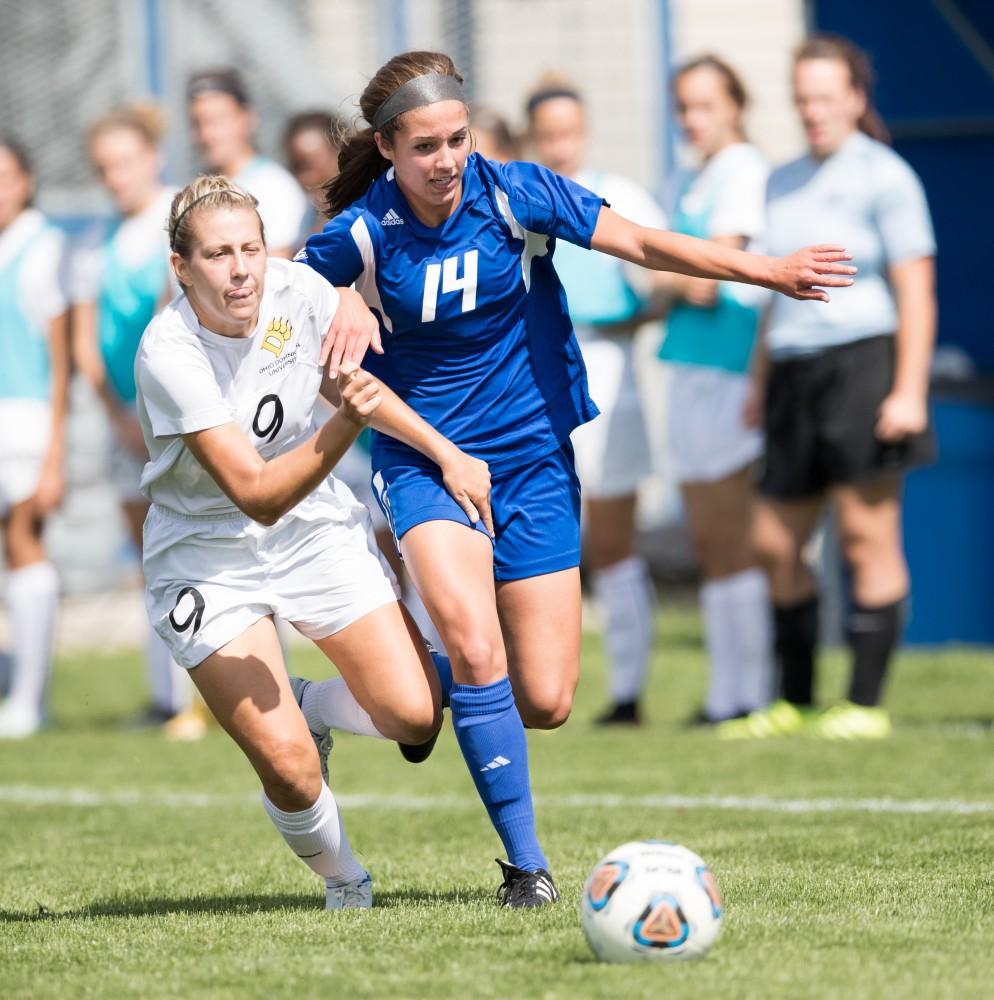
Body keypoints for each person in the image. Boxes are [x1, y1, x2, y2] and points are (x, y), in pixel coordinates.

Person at [298, 50, 855, 903]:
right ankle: (528, 870)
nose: (446, 160)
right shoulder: (364, 231)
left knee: (547, 697)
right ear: (387, 148)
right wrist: (326, 291)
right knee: (477, 642)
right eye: (424, 148)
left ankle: (398, 690)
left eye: (457, 138)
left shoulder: (516, 192)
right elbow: (277, 284)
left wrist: (770, 272)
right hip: (423, 461)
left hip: (532, 458)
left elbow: (641, 241)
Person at [137, 174, 493, 908]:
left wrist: (444, 451)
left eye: (251, 249)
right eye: (216, 255)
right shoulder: (168, 353)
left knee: (415, 714)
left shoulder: (297, 292)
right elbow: (257, 495)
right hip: (207, 554)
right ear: (182, 266)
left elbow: (351, 384)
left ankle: (313, 704)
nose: (240, 270)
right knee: (292, 770)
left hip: (311, 530)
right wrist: (345, 425)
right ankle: (347, 882)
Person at [722, 35, 936, 741]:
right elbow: (775, 292)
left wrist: (907, 391)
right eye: (803, 98)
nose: (813, 111)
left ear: (855, 99)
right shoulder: (779, 180)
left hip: (863, 364)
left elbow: (917, 292)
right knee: (774, 541)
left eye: (826, 96)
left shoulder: (887, 176)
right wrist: (761, 377)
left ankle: (865, 704)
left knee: (866, 537)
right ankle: (797, 699)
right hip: (791, 372)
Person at [525, 75, 666, 727]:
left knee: (612, 537)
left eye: (568, 133)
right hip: (531, 373)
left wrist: (627, 320)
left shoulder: (619, 194)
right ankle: (532, 685)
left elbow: (661, 276)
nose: (559, 147)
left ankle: (629, 693)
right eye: (547, 135)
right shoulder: (518, 195)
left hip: (605, 367)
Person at [282, 110, 443, 649]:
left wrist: (349, 291)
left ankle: (436, 658)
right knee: (387, 550)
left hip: (411, 414)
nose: (313, 179)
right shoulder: (314, 250)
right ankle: (421, 661)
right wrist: (337, 292)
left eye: (320, 164)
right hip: (353, 421)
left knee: (421, 550)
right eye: (300, 167)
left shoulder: (387, 225)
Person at [72, 103, 204, 740]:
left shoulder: (174, 222)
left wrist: (153, 414)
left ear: (152, 156)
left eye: (125, 162)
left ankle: (200, 694)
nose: (116, 176)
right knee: (152, 559)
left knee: (193, 548)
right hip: (126, 422)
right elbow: (85, 343)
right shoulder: (96, 241)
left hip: (172, 417)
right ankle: (165, 694)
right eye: (105, 168)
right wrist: (117, 413)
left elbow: (172, 320)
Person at [655, 56, 774, 725]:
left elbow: (701, 282)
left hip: (730, 364)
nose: (692, 120)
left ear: (736, 104)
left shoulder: (745, 172)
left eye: (705, 105)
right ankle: (726, 694)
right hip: (687, 363)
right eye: (683, 106)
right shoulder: (689, 178)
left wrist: (662, 276)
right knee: (707, 539)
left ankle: (750, 694)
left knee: (735, 536)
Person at [0, 138, 69, 739]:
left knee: (23, 541)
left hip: (24, 421)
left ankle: (29, 696)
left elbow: (58, 356)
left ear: (26, 182)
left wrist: (55, 451)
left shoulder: (43, 244)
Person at [187, 68, 307, 259]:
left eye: (218, 120)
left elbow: (276, 274)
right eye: (198, 123)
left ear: (247, 118)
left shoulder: (276, 188)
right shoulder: (193, 192)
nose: (207, 134)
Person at [283, 110, 346, 247]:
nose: (305, 178)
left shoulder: (373, 214)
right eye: (296, 167)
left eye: (310, 164)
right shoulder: (307, 217)